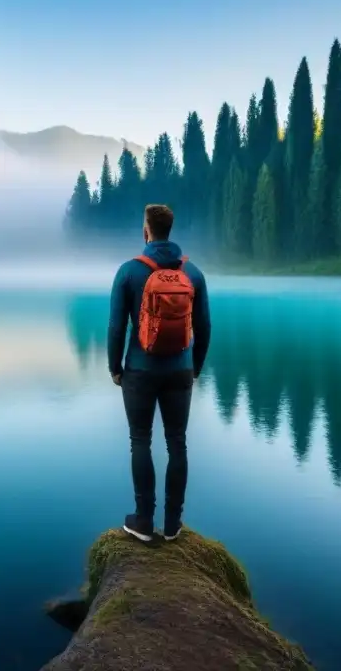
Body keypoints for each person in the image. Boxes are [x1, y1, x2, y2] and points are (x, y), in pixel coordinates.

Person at [107, 203, 211, 542]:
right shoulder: (193, 273)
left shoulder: (128, 272)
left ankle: (143, 521)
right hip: (180, 370)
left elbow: (115, 328)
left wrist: (115, 367)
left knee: (141, 440)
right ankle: (172, 525)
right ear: (171, 229)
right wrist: (194, 366)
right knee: (177, 442)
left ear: (146, 230)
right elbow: (205, 326)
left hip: (139, 370)